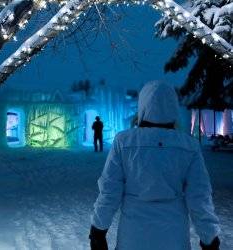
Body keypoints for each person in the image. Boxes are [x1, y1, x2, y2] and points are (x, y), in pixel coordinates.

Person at [89, 82, 220, 250]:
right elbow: (199, 197)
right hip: (174, 240)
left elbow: (109, 192)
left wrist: (98, 230)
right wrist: (209, 237)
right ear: (173, 107)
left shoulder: (124, 142)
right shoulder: (189, 146)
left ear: (142, 105)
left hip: (132, 240)